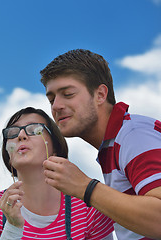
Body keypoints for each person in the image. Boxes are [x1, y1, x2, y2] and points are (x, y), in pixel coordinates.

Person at [40, 49, 161, 240]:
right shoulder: (115, 144)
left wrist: (85, 187)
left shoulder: (133, 135)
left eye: (68, 94)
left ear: (100, 94)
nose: (56, 106)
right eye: (52, 99)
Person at [0, 107, 114, 239]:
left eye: (34, 129)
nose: (21, 136)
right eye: (12, 132)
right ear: (9, 156)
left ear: (55, 147)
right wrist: (12, 228)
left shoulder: (88, 208)